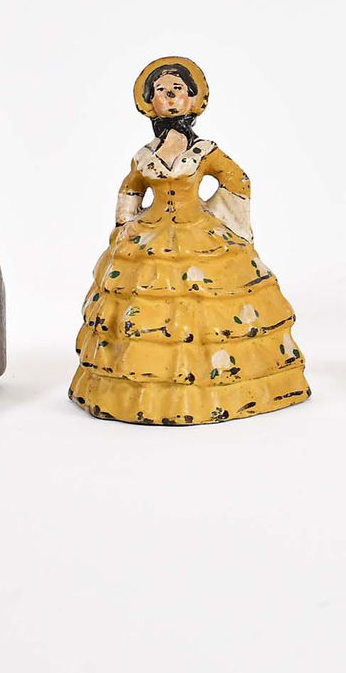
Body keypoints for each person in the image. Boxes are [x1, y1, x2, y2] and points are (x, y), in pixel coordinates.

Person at [70, 57, 312, 424]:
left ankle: (222, 389)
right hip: (149, 237)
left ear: (194, 99)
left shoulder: (204, 151)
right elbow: (130, 188)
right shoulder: (145, 156)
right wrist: (125, 224)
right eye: (161, 91)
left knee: (206, 306)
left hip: (197, 230)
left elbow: (238, 180)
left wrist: (221, 218)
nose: (169, 98)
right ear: (149, 101)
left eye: (177, 90)